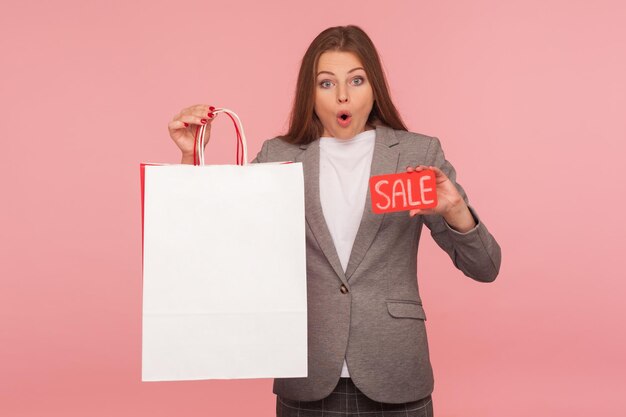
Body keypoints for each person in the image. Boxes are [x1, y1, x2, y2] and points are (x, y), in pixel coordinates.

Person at [167, 25, 501, 417]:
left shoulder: (418, 152)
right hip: (307, 371)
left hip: (395, 369)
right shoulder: (279, 155)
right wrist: (192, 160)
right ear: (310, 92)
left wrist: (456, 211)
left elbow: (486, 267)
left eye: (356, 80)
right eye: (327, 83)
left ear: (373, 86)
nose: (343, 95)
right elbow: (219, 241)